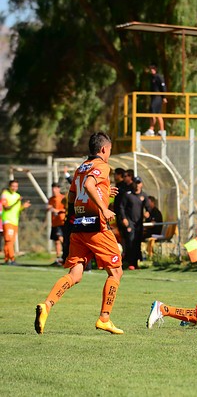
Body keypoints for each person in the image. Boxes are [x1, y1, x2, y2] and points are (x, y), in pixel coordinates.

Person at [35, 132, 124, 334]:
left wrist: (72, 218)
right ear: (103, 149)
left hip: (79, 225)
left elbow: (73, 194)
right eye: (109, 150)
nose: (109, 153)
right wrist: (104, 207)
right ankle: (104, 318)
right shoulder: (102, 166)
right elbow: (89, 185)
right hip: (97, 227)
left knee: (75, 273)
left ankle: (47, 305)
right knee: (116, 271)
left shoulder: (81, 168)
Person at [118, 176, 150, 270]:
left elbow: (148, 207)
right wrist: (124, 218)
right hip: (130, 222)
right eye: (136, 183)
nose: (137, 185)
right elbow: (121, 208)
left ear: (141, 184)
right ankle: (130, 263)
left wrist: (147, 212)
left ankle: (136, 263)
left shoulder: (143, 195)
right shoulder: (128, 195)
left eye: (139, 183)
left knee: (137, 242)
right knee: (130, 241)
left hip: (139, 223)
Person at [1, 180, 31, 264]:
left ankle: (7, 259)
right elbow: (6, 208)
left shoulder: (17, 196)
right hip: (7, 220)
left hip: (15, 221)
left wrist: (23, 207)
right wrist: (16, 202)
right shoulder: (5, 194)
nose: (14, 188)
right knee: (9, 240)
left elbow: (17, 210)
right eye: (13, 186)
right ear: (9, 186)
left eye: (16, 186)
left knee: (10, 241)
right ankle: (12, 259)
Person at [143, 64, 167, 137]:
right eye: (151, 69)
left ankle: (152, 129)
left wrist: (164, 97)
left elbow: (163, 87)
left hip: (158, 97)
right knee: (156, 113)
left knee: (154, 113)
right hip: (153, 97)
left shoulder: (159, 77)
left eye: (153, 69)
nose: (152, 70)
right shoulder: (152, 78)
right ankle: (159, 130)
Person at [47, 183, 66, 264]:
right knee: (57, 241)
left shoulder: (63, 198)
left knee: (61, 238)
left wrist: (58, 211)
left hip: (62, 221)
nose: (54, 190)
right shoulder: (51, 199)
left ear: (59, 189)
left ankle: (65, 253)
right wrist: (50, 208)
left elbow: (67, 209)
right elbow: (48, 207)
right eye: (53, 189)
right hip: (54, 222)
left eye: (55, 188)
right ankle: (58, 258)